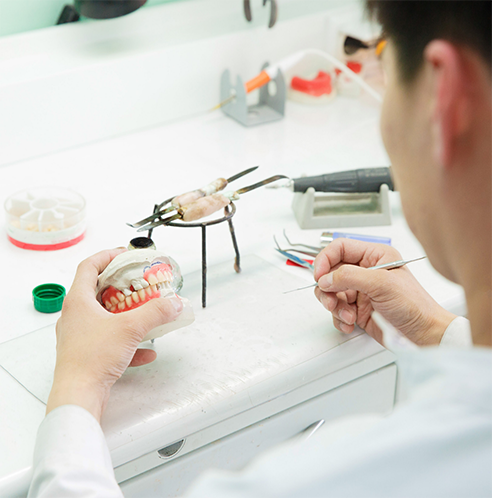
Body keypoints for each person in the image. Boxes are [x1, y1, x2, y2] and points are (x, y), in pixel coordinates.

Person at [28, 0, 492, 496]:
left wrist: (75, 385)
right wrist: (434, 329)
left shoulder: (333, 480)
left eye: (382, 55)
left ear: (446, 100)